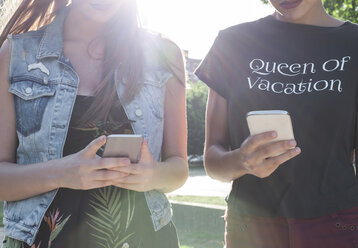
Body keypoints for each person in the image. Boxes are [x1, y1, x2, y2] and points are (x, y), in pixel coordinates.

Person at [0, 0, 188, 247]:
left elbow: (179, 169)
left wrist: (152, 175)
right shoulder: (16, 54)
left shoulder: (164, 55)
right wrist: (60, 173)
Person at [195, 0, 358, 247]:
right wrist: (242, 161)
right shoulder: (232, 43)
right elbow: (213, 161)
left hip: (337, 224)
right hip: (251, 227)